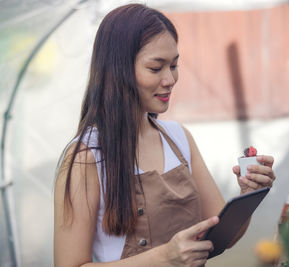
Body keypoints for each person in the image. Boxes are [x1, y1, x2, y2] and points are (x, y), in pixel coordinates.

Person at [53, 3, 276, 267]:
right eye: (156, 68)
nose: (170, 79)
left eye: (174, 65)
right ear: (118, 69)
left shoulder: (179, 139)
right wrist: (165, 257)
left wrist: (247, 195)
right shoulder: (85, 157)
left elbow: (221, 238)